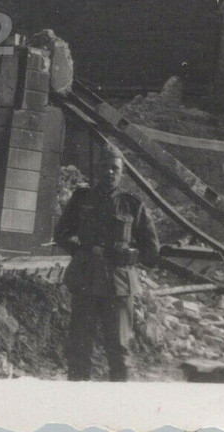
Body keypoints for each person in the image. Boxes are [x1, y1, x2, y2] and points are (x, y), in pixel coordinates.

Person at [55, 148, 160, 381]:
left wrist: (129, 255)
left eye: (116, 169)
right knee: (80, 348)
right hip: (86, 281)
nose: (110, 172)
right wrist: (82, 252)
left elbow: (152, 250)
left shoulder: (132, 204)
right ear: (97, 170)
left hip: (119, 286)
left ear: (122, 173)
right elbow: (61, 234)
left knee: (119, 349)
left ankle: (117, 405)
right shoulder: (82, 200)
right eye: (105, 167)